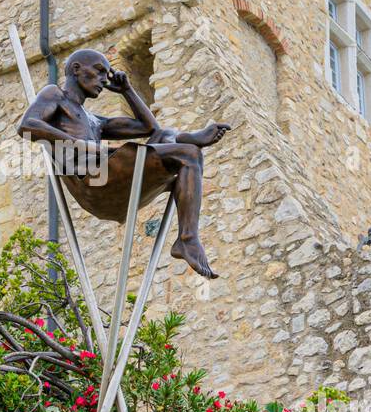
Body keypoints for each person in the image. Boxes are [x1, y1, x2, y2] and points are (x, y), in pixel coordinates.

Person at [17, 47, 231, 279]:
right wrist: (79, 144)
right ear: (76, 69)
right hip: (94, 185)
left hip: (112, 179)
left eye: (106, 74)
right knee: (188, 154)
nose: (102, 79)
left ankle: (184, 139)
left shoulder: (95, 121)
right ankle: (188, 239)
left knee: (170, 137)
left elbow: (149, 129)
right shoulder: (55, 95)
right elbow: (28, 125)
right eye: (99, 71)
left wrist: (127, 91)